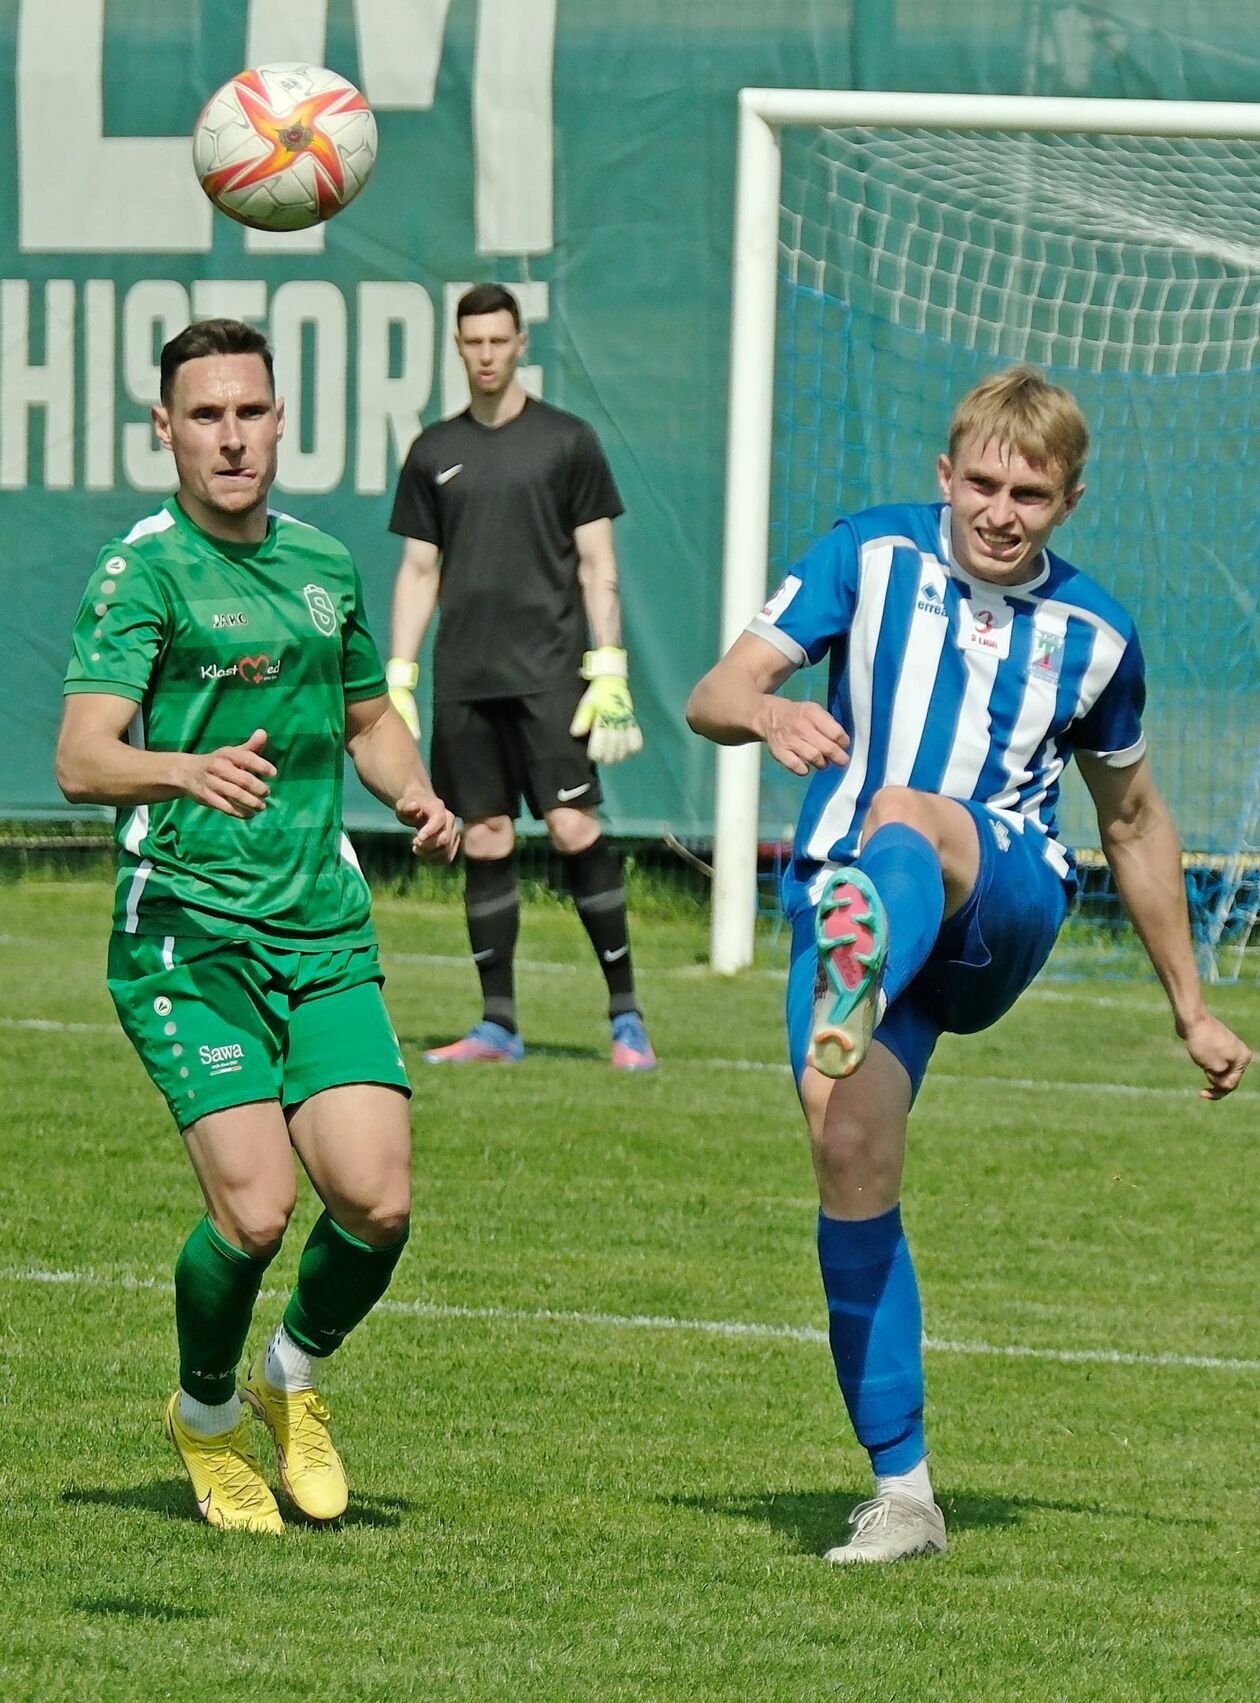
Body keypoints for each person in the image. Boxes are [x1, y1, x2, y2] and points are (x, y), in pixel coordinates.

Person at [686, 365, 1251, 1565]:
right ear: (944, 473)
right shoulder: (868, 554)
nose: (1001, 508)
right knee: (845, 1144)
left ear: (1069, 500)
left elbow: (1136, 821)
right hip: (855, 896)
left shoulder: (1096, 636)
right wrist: (772, 716)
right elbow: (716, 690)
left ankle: (863, 968)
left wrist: (1190, 1007)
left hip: (1001, 895)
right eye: (982, 482)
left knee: (910, 809)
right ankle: (905, 1493)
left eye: (1030, 493)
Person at [56, 317, 460, 1535]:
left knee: (377, 1201)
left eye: (251, 411)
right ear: (165, 429)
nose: (232, 435)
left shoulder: (326, 566)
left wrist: (415, 790)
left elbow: (365, 717)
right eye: (207, 414)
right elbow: (82, 758)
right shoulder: (144, 573)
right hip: (187, 933)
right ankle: (208, 1411)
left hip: (319, 925)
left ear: (282, 421)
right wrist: (183, 771)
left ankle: (292, 1373)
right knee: (256, 1207)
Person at [386, 282, 655, 1070]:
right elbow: (417, 570)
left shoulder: (567, 441)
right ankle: (497, 1024)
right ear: (459, 347)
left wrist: (609, 669)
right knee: (485, 836)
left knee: (574, 828)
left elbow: (599, 564)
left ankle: (627, 1019)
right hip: (466, 680)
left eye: (500, 340)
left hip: (552, 678)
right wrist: (398, 675)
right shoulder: (433, 449)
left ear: (521, 343)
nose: (487, 355)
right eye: (474, 343)